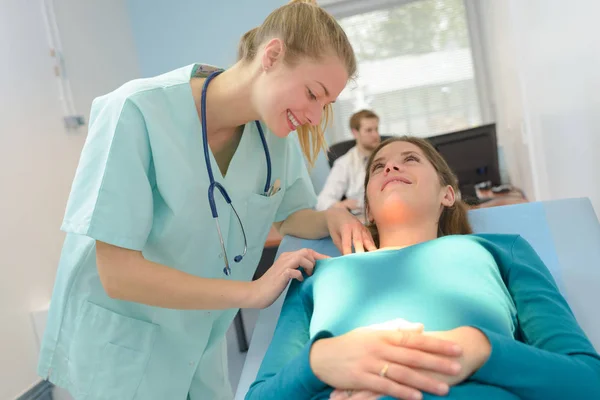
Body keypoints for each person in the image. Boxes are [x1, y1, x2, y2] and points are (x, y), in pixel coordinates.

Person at [37, 1, 377, 399]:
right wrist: (251, 292)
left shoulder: (274, 136)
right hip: (123, 348)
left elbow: (290, 215)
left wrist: (331, 219)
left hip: (200, 339)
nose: (316, 117)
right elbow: (118, 273)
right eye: (313, 94)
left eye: (326, 104)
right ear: (271, 55)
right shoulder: (136, 111)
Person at [246, 137, 600, 400]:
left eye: (410, 159)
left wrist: (477, 349)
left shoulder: (500, 251)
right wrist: (319, 361)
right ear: (367, 207)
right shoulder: (317, 276)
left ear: (447, 194)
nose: (390, 167)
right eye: (378, 167)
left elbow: (588, 381)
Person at [316, 109, 381, 214]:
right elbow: (322, 202)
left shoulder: (388, 155)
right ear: (355, 133)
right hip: (363, 217)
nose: (376, 135)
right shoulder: (344, 163)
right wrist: (341, 205)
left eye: (376, 129)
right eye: (369, 130)